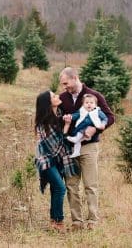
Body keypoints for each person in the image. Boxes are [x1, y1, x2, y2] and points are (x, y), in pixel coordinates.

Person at [59, 67, 115, 231]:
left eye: (66, 83)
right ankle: (77, 221)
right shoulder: (63, 98)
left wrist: (96, 129)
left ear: (75, 78)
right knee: (71, 185)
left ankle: (93, 221)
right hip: (70, 147)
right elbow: (58, 120)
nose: (64, 87)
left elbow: (110, 116)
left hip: (89, 147)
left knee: (90, 185)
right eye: (63, 84)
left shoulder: (94, 96)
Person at [34, 90, 80, 232]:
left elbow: (62, 138)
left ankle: (54, 222)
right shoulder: (44, 123)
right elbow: (54, 145)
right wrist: (66, 127)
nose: (58, 97)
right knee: (60, 188)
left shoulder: (59, 114)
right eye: (54, 96)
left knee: (56, 189)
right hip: (46, 160)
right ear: (48, 103)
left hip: (58, 159)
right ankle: (59, 222)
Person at [66, 94, 108, 158]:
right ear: (83, 104)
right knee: (78, 142)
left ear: (95, 105)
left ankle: (76, 139)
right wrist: (70, 116)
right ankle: (76, 152)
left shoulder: (97, 112)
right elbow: (76, 115)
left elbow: (105, 118)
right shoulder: (82, 110)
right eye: (86, 103)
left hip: (87, 128)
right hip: (79, 127)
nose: (89, 104)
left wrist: (103, 124)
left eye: (91, 103)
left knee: (78, 137)